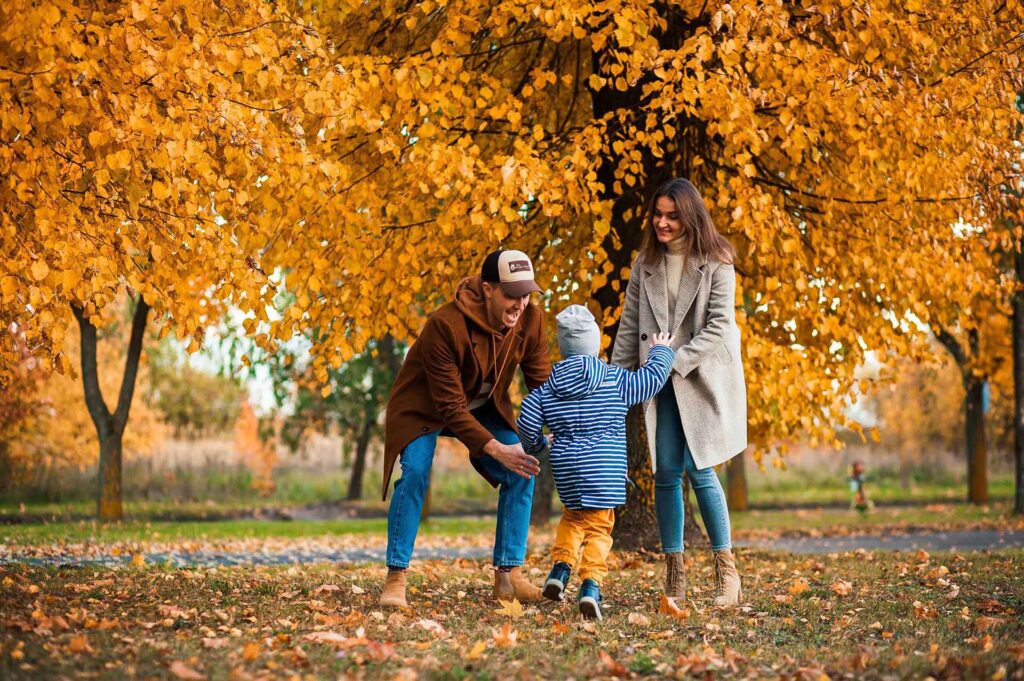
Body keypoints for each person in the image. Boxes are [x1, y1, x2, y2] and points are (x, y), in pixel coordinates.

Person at [378, 249, 551, 609]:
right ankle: (396, 576)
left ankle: (509, 576)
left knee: (522, 467)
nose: (519, 304)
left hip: (482, 407)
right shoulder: (445, 324)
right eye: (511, 294)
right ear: (488, 290)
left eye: (525, 294)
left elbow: (543, 385)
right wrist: (493, 448)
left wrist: (575, 424)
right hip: (424, 407)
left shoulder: (531, 320)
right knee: (415, 473)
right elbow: (450, 407)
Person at [611, 177, 748, 608]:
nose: (663, 223)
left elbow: (719, 327)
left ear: (690, 216)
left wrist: (673, 359)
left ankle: (727, 571)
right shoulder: (644, 264)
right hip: (659, 384)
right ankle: (675, 574)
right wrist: (614, 385)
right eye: (658, 215)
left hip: (700, 376)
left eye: (672, 216)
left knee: (699, 467)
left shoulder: (717, 262)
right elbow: (630, 328)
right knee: (666, 473)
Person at [517, 304, 674, 620]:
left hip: (568, 474)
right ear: (595, 343)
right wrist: (661, 352)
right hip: (604, 472)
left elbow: (526, 420)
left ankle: (560, 571)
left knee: (573, 519)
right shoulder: (614, 380)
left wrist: (537, 445)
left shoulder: (548, 388)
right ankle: (590, 586)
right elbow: (650, 381)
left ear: (563, 346)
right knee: (600, 530)